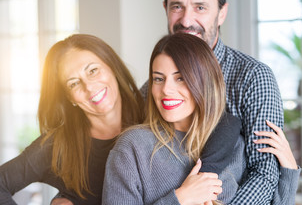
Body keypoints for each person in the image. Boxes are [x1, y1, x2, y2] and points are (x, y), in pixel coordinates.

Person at [138, 0, 287, 203]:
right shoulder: (154, 89)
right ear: (165, 9)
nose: (186, 20)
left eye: (200, 7)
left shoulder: (252, 78)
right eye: (177, 6)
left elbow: (265, 173)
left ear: (222, 12)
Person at [0, 34, 145, 205]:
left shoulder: (152, 115)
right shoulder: (58, 146)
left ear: (112, 67)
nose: (89, 87)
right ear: (70, 98)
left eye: (93, 71)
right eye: (74, 83)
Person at [102, 33, 246, 205]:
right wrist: (180, 199)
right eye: (158, 79)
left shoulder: (234, 144)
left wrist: (287, 173)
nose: (166, 89)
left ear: (205, 82)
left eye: (180, 78)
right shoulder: (133, 146)